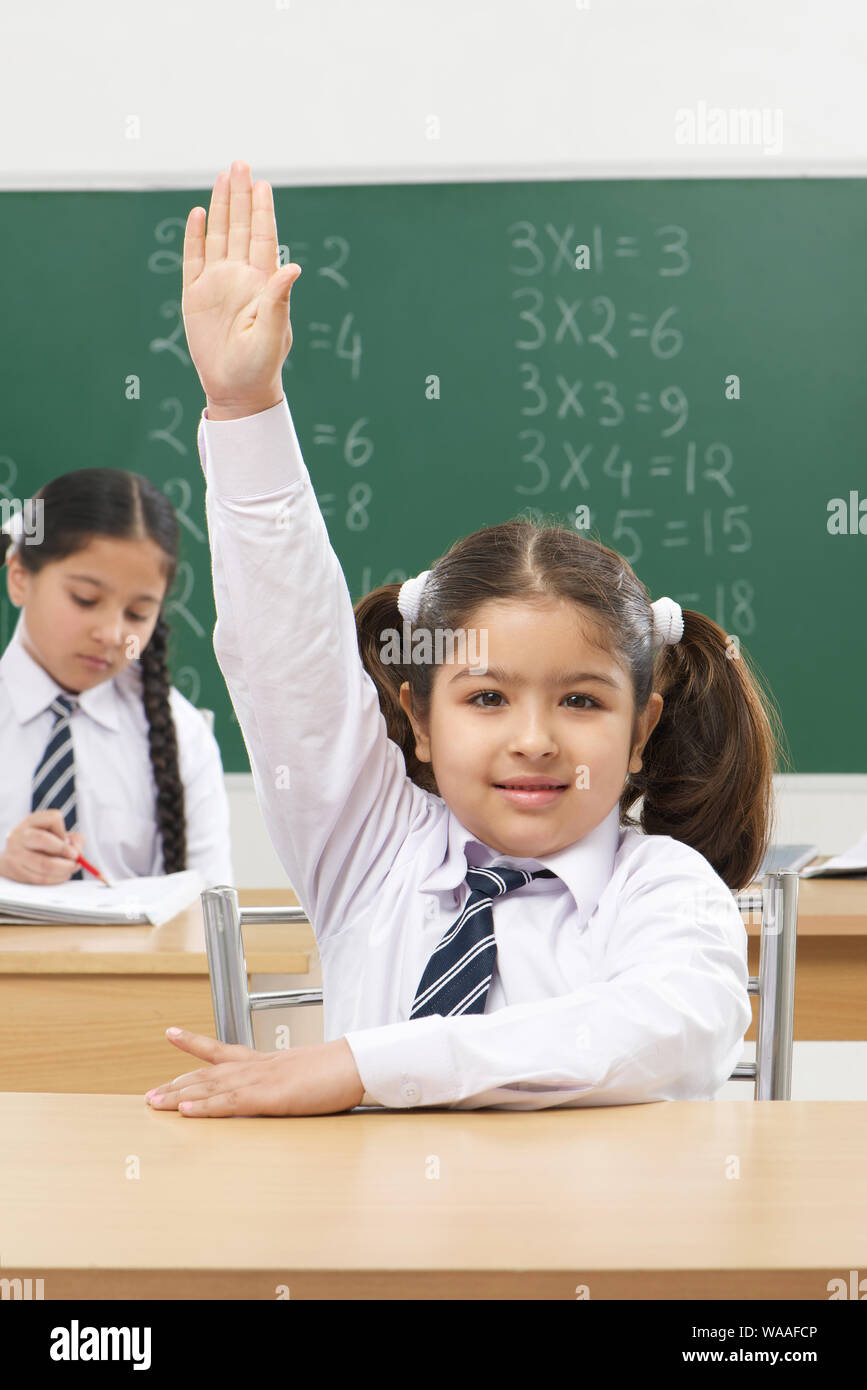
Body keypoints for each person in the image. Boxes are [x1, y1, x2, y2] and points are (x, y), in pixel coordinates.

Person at [145, 160, 786, 1120]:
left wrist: (369, 1064)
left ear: (642, 724)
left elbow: (667, 1028)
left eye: (580, 699)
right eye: (486, 698)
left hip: (599, 1268)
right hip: (384, 1265)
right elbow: (287, 653)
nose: (533, 737)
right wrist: (244, 410)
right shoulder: (369, 848)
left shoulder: (664, 888)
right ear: (419, 717)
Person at [0, 467, 233, 888]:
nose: (111, 634)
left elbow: (210, 912)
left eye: (138, 614)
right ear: (19, 578)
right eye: (85, 599)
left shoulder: (183, 735)